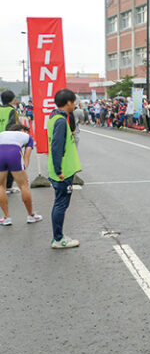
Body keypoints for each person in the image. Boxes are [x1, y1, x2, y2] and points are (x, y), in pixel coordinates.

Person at [47, 89, 82, 249]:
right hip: (63, 171)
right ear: (68, 102)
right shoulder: (60, 121)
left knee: (59, 203)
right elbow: (56, 147)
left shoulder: (55, 117)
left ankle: (58, 236)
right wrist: (59, 169)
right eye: (74, 102)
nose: (74, 104)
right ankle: (58, 238)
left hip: (62, 170)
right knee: (61, 204)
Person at [0, 125, 43, 226]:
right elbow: (26, 157)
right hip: (13, 152)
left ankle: (6, 218)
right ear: (22, 130)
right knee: (23, 185)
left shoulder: (2, 133)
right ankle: (31, 215)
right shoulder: (28, 137)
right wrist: (24, 174)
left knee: (1, 186)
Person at [0, 90, 20, 194]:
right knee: (9, 164)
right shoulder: (12, 111)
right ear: (12, 100)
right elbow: (14, 127)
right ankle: (7, 187)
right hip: (7, 141)